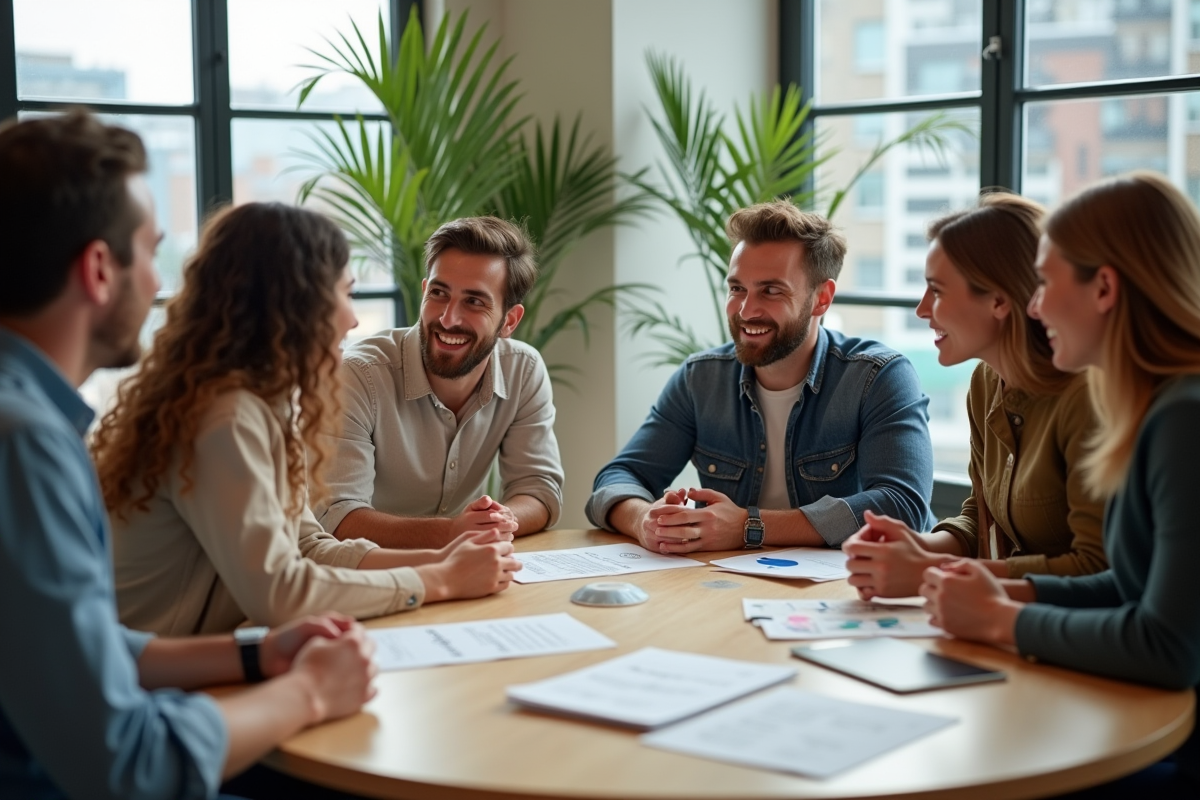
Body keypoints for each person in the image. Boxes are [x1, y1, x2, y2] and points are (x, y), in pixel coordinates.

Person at [0, 111, 377, 800]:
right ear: (98, 270)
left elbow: (78, 654)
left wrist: (255, 653)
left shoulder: (30, 422)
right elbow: (127, 766)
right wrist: (309, 695)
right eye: (152, 250)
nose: (161, 283)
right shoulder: (23, 443)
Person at [95, 203, 522, 637]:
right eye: (346, 293)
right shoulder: (223, 415)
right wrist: (440, 580)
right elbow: (279, 593)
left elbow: (309, 549)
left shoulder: (261, 404)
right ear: (296, 302)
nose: (352, 319)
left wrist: (445, 559)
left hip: (194, 659)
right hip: (152, 678)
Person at [920, 172, 1200, 797]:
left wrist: (999, 621)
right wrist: (1000, 596)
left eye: (1045, 283)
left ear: (1104, 288)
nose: (1035, 306)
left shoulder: (1184, 417)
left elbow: (1167, 646)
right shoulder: (1155, 405)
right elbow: (1127, 587)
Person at [586, 199, 936, 552]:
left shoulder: (878, 377)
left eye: (770, 291)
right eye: (737, 288)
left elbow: (901, 507)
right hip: (733, 584)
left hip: (852, 589)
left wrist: (750, 526)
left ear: (821, 299)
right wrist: (644, 520)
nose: (746, 310)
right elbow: (616, 481)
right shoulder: (700, 379)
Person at [843, 194, 1106, 598]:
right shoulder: (986, 382)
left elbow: (1097, 568)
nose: (921, 309)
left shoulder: (1086, 397)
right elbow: (982, 515)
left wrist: (929, 571)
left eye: (936, 291)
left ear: (999, 300)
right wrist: (917, 548)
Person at [312, 216, 564, 549]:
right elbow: (338, 517)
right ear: (423, 291)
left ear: (510, 321)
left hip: (465, 570)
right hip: (365, 576)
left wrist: (497, 521)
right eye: (439, 293)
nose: (448, 318)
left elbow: (539, 490)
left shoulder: (524, 369)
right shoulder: (358, 376)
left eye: (474, 301)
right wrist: (454, 532)